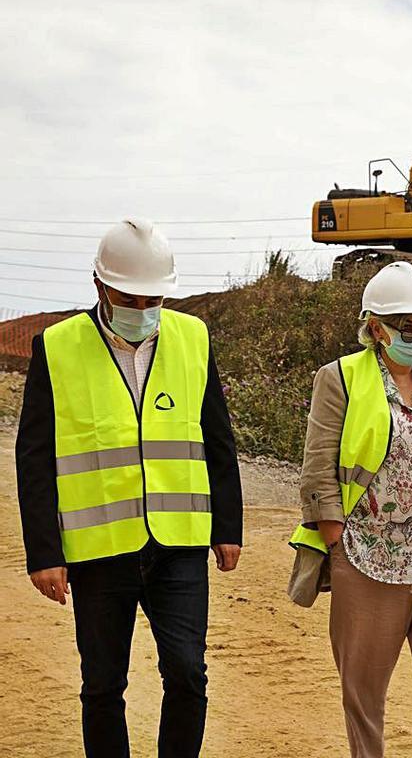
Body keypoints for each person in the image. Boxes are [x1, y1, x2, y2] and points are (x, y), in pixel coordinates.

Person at [16, 217, 243, 758]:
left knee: (188, 673)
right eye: (130, 298)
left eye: (153, 300)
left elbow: (217, 437)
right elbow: (33, 456)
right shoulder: (58, 347)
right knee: (102, 686)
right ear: (99, 286)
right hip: (99, 549)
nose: (143, 311)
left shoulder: (192, 339)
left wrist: (227, 527)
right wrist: (44, 553)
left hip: (179, 543)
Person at [288, 261, 412, 758]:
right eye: (407, 327)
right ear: (376, 328)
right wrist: (338, 543)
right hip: (370, 555)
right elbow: (318, 470)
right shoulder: (340, 379)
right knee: (365, 695)